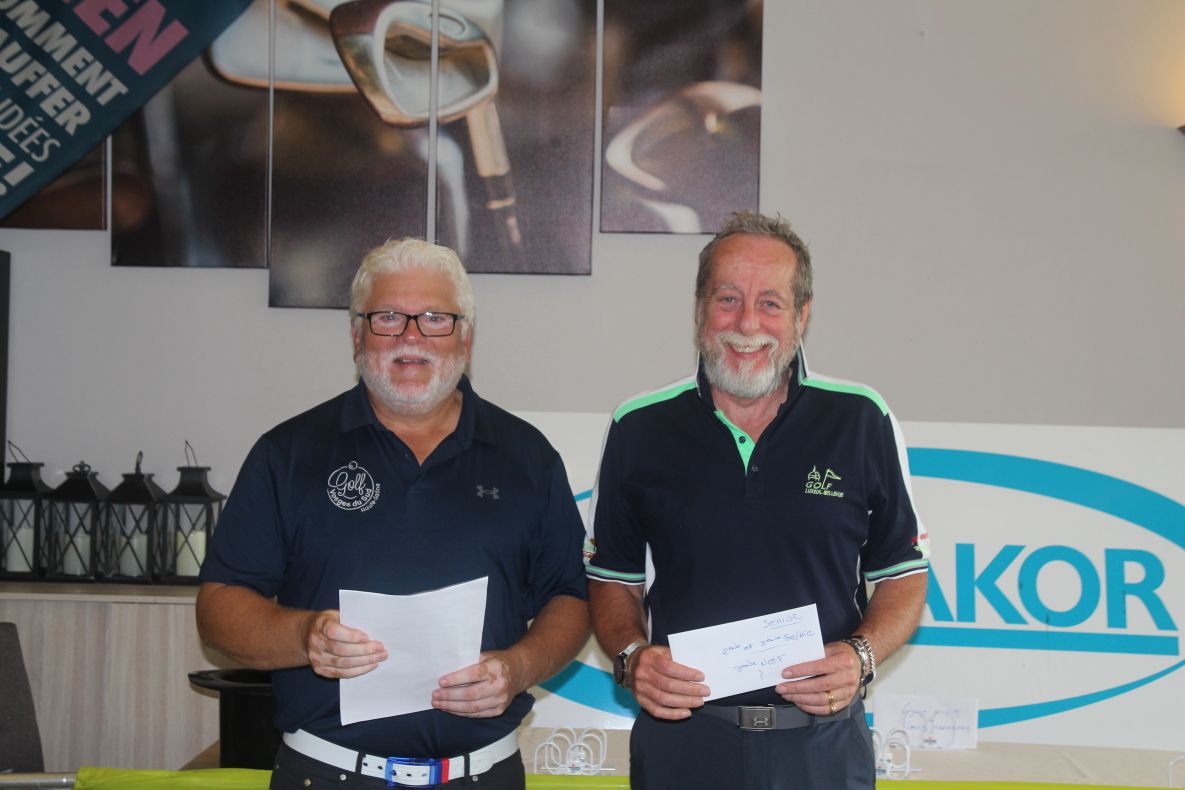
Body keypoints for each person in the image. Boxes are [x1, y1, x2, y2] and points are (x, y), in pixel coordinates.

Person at [196, 238, 590, 790]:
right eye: (387, 317)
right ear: (356, 336)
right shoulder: (287, 454)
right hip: (325, 775)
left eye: (435, 318)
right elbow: (219, 607)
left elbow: (570, 597)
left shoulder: (529, 457)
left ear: (466, 337)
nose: (411, 336)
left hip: (484, 776)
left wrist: (520, 667)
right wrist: (304, 635)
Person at [586, 211, 930, 789]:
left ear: (802, 315)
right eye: (728, 299)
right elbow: (612, 581)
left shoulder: (860, 419)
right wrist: (630, 656)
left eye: (770, 303)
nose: (747, 323)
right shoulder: (638, 427)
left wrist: (861, 656)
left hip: (822, 748)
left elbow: (903, 574)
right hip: (683, 745)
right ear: (700, 309)